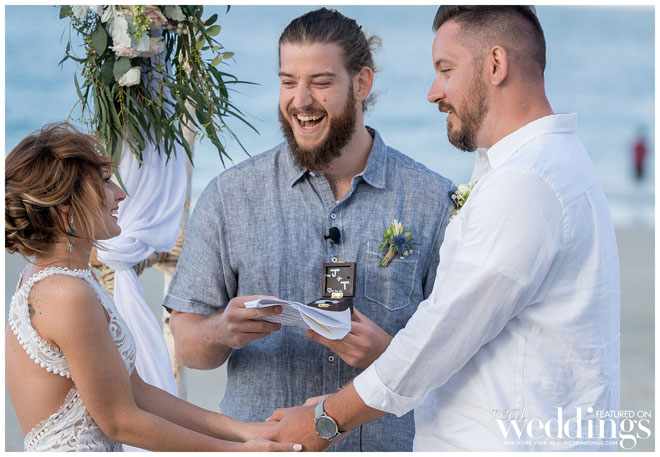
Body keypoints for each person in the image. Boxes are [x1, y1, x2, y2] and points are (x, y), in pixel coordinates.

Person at [262, 5, 620, 452]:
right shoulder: (546, 166)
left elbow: (440, 336)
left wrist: (326, 420)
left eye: (446, 70)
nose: (434, 93)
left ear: (495, 64)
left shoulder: (527, 183)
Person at [163, 8, 454, 452]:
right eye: (288, 81)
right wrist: (221, 330)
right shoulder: (229, 195)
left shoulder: (433, 200)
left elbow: (462, 358)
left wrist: (389, 356)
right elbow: (188, 347)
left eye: (320, 82)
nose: (301, 100)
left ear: (362, 84)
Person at [5, 123, 301, 452]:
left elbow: (138, 392)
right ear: (65, 204)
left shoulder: (60, 277)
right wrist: (234, 452)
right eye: (104, 182)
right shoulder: (66, 294)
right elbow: (120, 421)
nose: (120, 194)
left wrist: (244, 431)